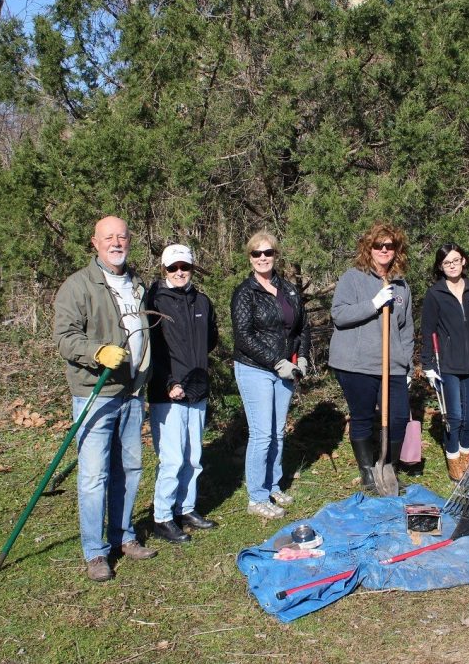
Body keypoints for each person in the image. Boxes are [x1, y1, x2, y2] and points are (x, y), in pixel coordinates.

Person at [53, 215, 157, 582]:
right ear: (94, 243)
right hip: (95, 394)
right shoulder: (78, 286)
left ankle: (123, 536)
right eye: (108, 237)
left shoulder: (136, 283)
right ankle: (95, 552)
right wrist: (96, 352)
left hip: (132, 392)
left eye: (122, 237)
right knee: (94, 475)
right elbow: (65, 337)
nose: (116, 243)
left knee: (129, 469)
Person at [231, 231, 311, 520]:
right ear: (250, 257)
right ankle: (257, 497)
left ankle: (272, 485)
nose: (262, 258)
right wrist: (277, 362)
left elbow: (302, 327)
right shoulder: (245, 292)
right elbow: (243, 336)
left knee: (278, 433)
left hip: (286, 369)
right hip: (255, 369)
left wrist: (301, 355)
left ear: (276, 255)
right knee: (262, 434)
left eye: (268, 253)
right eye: (257, 253)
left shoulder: (288, 289)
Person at [330, 222, 414, 492]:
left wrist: (408, 365)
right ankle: (368, 472)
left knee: (399, 417)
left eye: (390, 246)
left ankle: (387, 465)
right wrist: (374, 304)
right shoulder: (353, 278)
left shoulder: (401, 285)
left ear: (396, 250)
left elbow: (406, 329)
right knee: (363, 416)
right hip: (357, 364)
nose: (384, 250)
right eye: (379, 245)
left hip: (393, 365)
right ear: (369, 248)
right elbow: (339, 315)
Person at [146, 244, 219, 544]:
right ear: (164, 269)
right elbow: (152, 350)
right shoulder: (154, 301)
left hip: (197, 390)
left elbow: (211, 338)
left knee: (194, 456)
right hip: (168, 393)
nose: (179, 273)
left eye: (184, 267)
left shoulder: (201, 300)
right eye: (173, 268)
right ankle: (162, 516)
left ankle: (185, 508)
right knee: (173, 458)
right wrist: (169, 382)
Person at [420, 243, 469, 481]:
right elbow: (428, 330)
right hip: (448, 365)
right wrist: (428, 364)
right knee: (455, 416)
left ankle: (466, 453)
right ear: (441, 266)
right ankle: (452, 456)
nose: (452, 265)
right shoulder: (435, 294)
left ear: (464, 261)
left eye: (456, 260)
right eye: (447, 262)